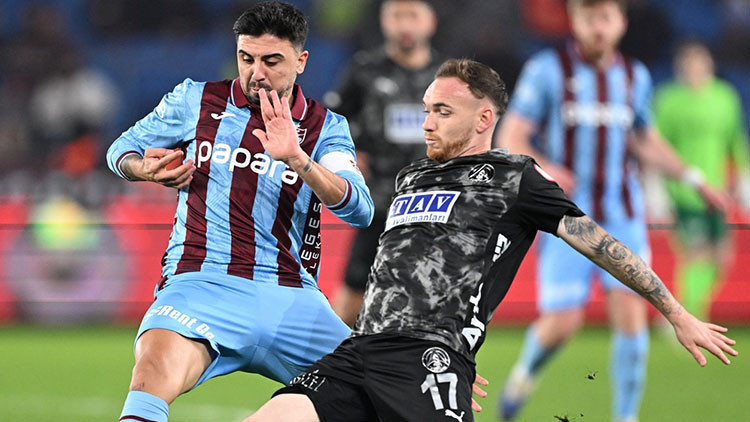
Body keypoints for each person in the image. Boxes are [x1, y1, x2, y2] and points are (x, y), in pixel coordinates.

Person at [243, 58, 736, 422]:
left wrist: (675, 312)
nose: (427, 122)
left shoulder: (516, 178)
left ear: (483, 119)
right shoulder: (411, 177)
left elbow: (601, 244)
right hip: (360, 353)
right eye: (426, 109)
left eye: (442, 111)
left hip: (424, 361)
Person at [105, 3, 374, 421]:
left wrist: (298, 159)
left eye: (271, 61)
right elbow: (120, 149)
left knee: (386, 387)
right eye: (246, 58)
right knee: (151, 374)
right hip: (200, 285)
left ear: (301, 61)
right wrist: (143, 169)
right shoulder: (196, 100)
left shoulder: (325, 127)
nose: (256, 73)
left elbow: (360, 208)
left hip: (291, 297)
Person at [493, 1, 729, 421]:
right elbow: (512, 135)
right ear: (575, 21)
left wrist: (693, 178)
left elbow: (644, 138)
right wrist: (545, 168)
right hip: (566, 218)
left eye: (605, 17)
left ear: (620, 22)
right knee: (561, 325)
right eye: (588, 18)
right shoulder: (548, 70)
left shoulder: (634, 76)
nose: (597, 27)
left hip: (623, 215)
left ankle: (625, 417)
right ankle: (522, 379)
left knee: (632, 318)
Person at [324, 0, 441, 326]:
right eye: (396, 16)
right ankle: (334, 357)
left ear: (430, 21)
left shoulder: (447, 76)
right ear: (383, 20)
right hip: (378, 205)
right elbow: (330, 124)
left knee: (431, 302)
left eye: (413, 15)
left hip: (434, 205)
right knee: (351, 300)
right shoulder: (364, 70)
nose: (404, 25)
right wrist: (349, 153)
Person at [653, 41, 750, 321]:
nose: (694, 70)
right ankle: (687, 317)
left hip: (717, 191)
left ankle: (679, 311)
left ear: (710, 66)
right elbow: (657, 144)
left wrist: (743, 178)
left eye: (699, 64)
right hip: (683, 191)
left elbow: (735, 140)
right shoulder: (669, 100)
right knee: (696, 254)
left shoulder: (725, 97)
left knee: (722, 258)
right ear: (679, 69)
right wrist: (657, 188)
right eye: (689, 65)